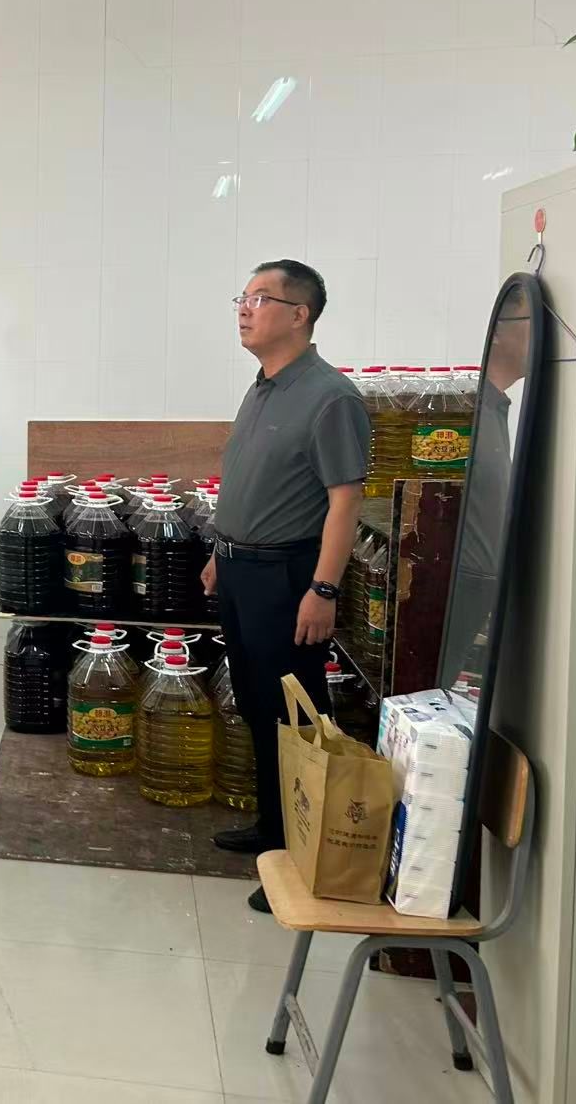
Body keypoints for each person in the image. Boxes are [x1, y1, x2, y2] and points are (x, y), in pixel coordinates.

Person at [203, 260, 370, 913]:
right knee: (255, 702)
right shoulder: (263, 388)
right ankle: (272, 831)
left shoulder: (331, 397)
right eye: (242, 298)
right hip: (241, 570)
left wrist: (323, 590)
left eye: (260, 298)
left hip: (288, 577)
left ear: (299, 315)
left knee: (295, 715)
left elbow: (345, 501)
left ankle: (301, 858)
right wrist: (220, 553)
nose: (245, 309)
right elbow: (255, 482)